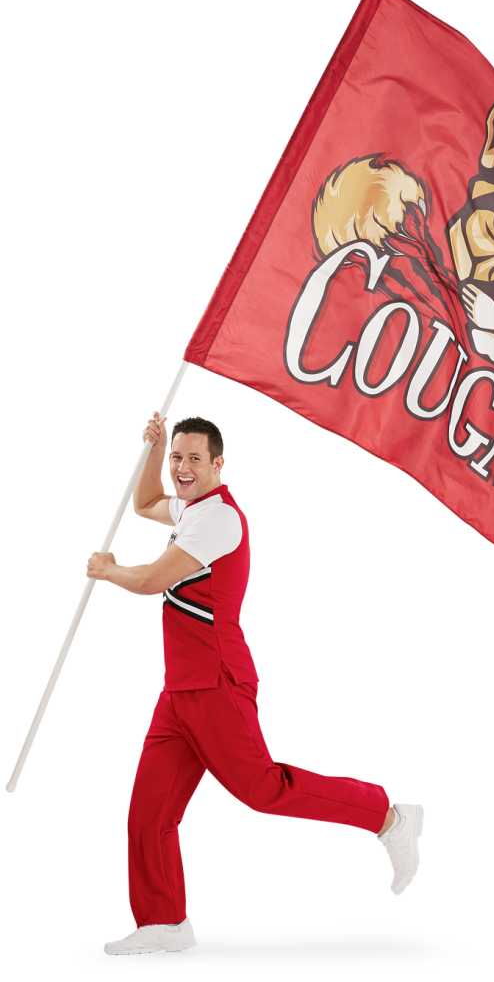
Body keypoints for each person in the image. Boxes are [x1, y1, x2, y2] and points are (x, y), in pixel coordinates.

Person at [84, 410, 425, 957]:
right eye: (177, 457)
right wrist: (151, 449)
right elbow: (145, 504)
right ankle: (164, 922)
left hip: (217, 678)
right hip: (180, 688)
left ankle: (388, 817)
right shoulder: (190, 509)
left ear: (219, 464)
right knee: (150, 807)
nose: (183, 467)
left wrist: (110, 570)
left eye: (194, 458)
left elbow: (148, 581)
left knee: (262, 790)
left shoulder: (218, 519)